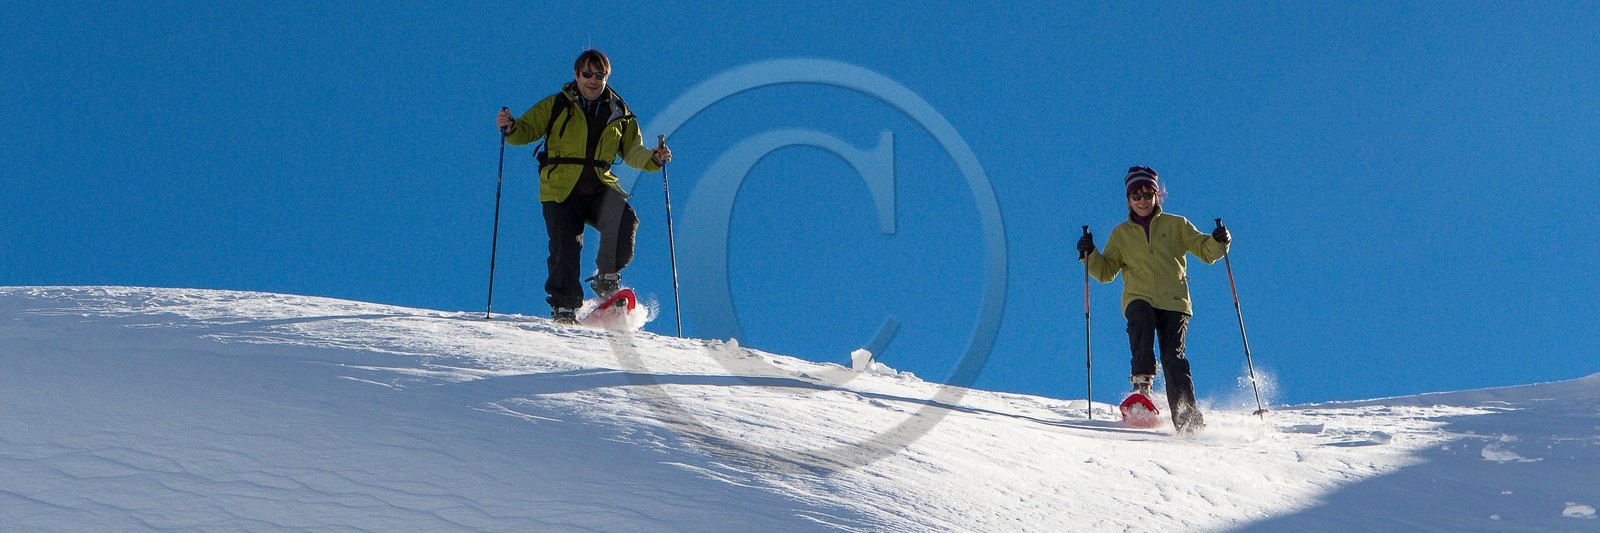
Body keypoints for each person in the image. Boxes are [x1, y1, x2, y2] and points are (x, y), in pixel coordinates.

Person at [497, 49, 671, 324]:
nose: (593, 80)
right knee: (566, 246)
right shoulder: (556, 105)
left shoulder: (620, 112)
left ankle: (606, 277)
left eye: (599, 75)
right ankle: (565, 306)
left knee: (624, 219)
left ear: (606, 77)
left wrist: (653, 158)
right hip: (561, 190)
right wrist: (511, 127)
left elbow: (632, 151)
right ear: (576, 75)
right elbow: (526, 130)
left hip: (599, 186)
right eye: (587, 74)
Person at [1078, 166, 1230, 433]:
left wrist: (1219, 242)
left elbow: (1205, 251)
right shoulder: (1121, 234)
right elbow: (1105, 272)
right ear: (1129, 200)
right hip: (1139, 297)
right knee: (1140, 317)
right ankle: (1142, 386)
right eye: (1136, 196)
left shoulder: (1177, 225)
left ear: (1157, 196)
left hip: (1174, 301)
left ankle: (1187, 417)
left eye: (1148, 194)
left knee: (1173, 357)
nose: (1143, 200)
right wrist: (1089, 254)